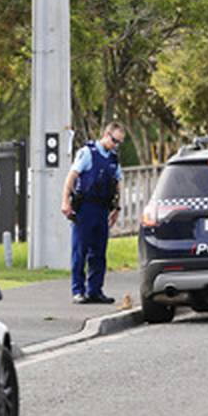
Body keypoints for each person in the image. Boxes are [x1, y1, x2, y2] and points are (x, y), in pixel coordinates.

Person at [61, 122, 124, 304]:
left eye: (119, 142)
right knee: (80, 250)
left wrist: (116, 208)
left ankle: (95, 290)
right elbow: (72, 176)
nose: (115, 145)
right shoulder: (87, 153)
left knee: (99, 252)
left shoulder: (113, 159)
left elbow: (118, 183)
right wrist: (65, 200)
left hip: (102, 208)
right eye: (114, 140)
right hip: (85, 208)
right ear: (106, 134)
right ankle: (78, 290)